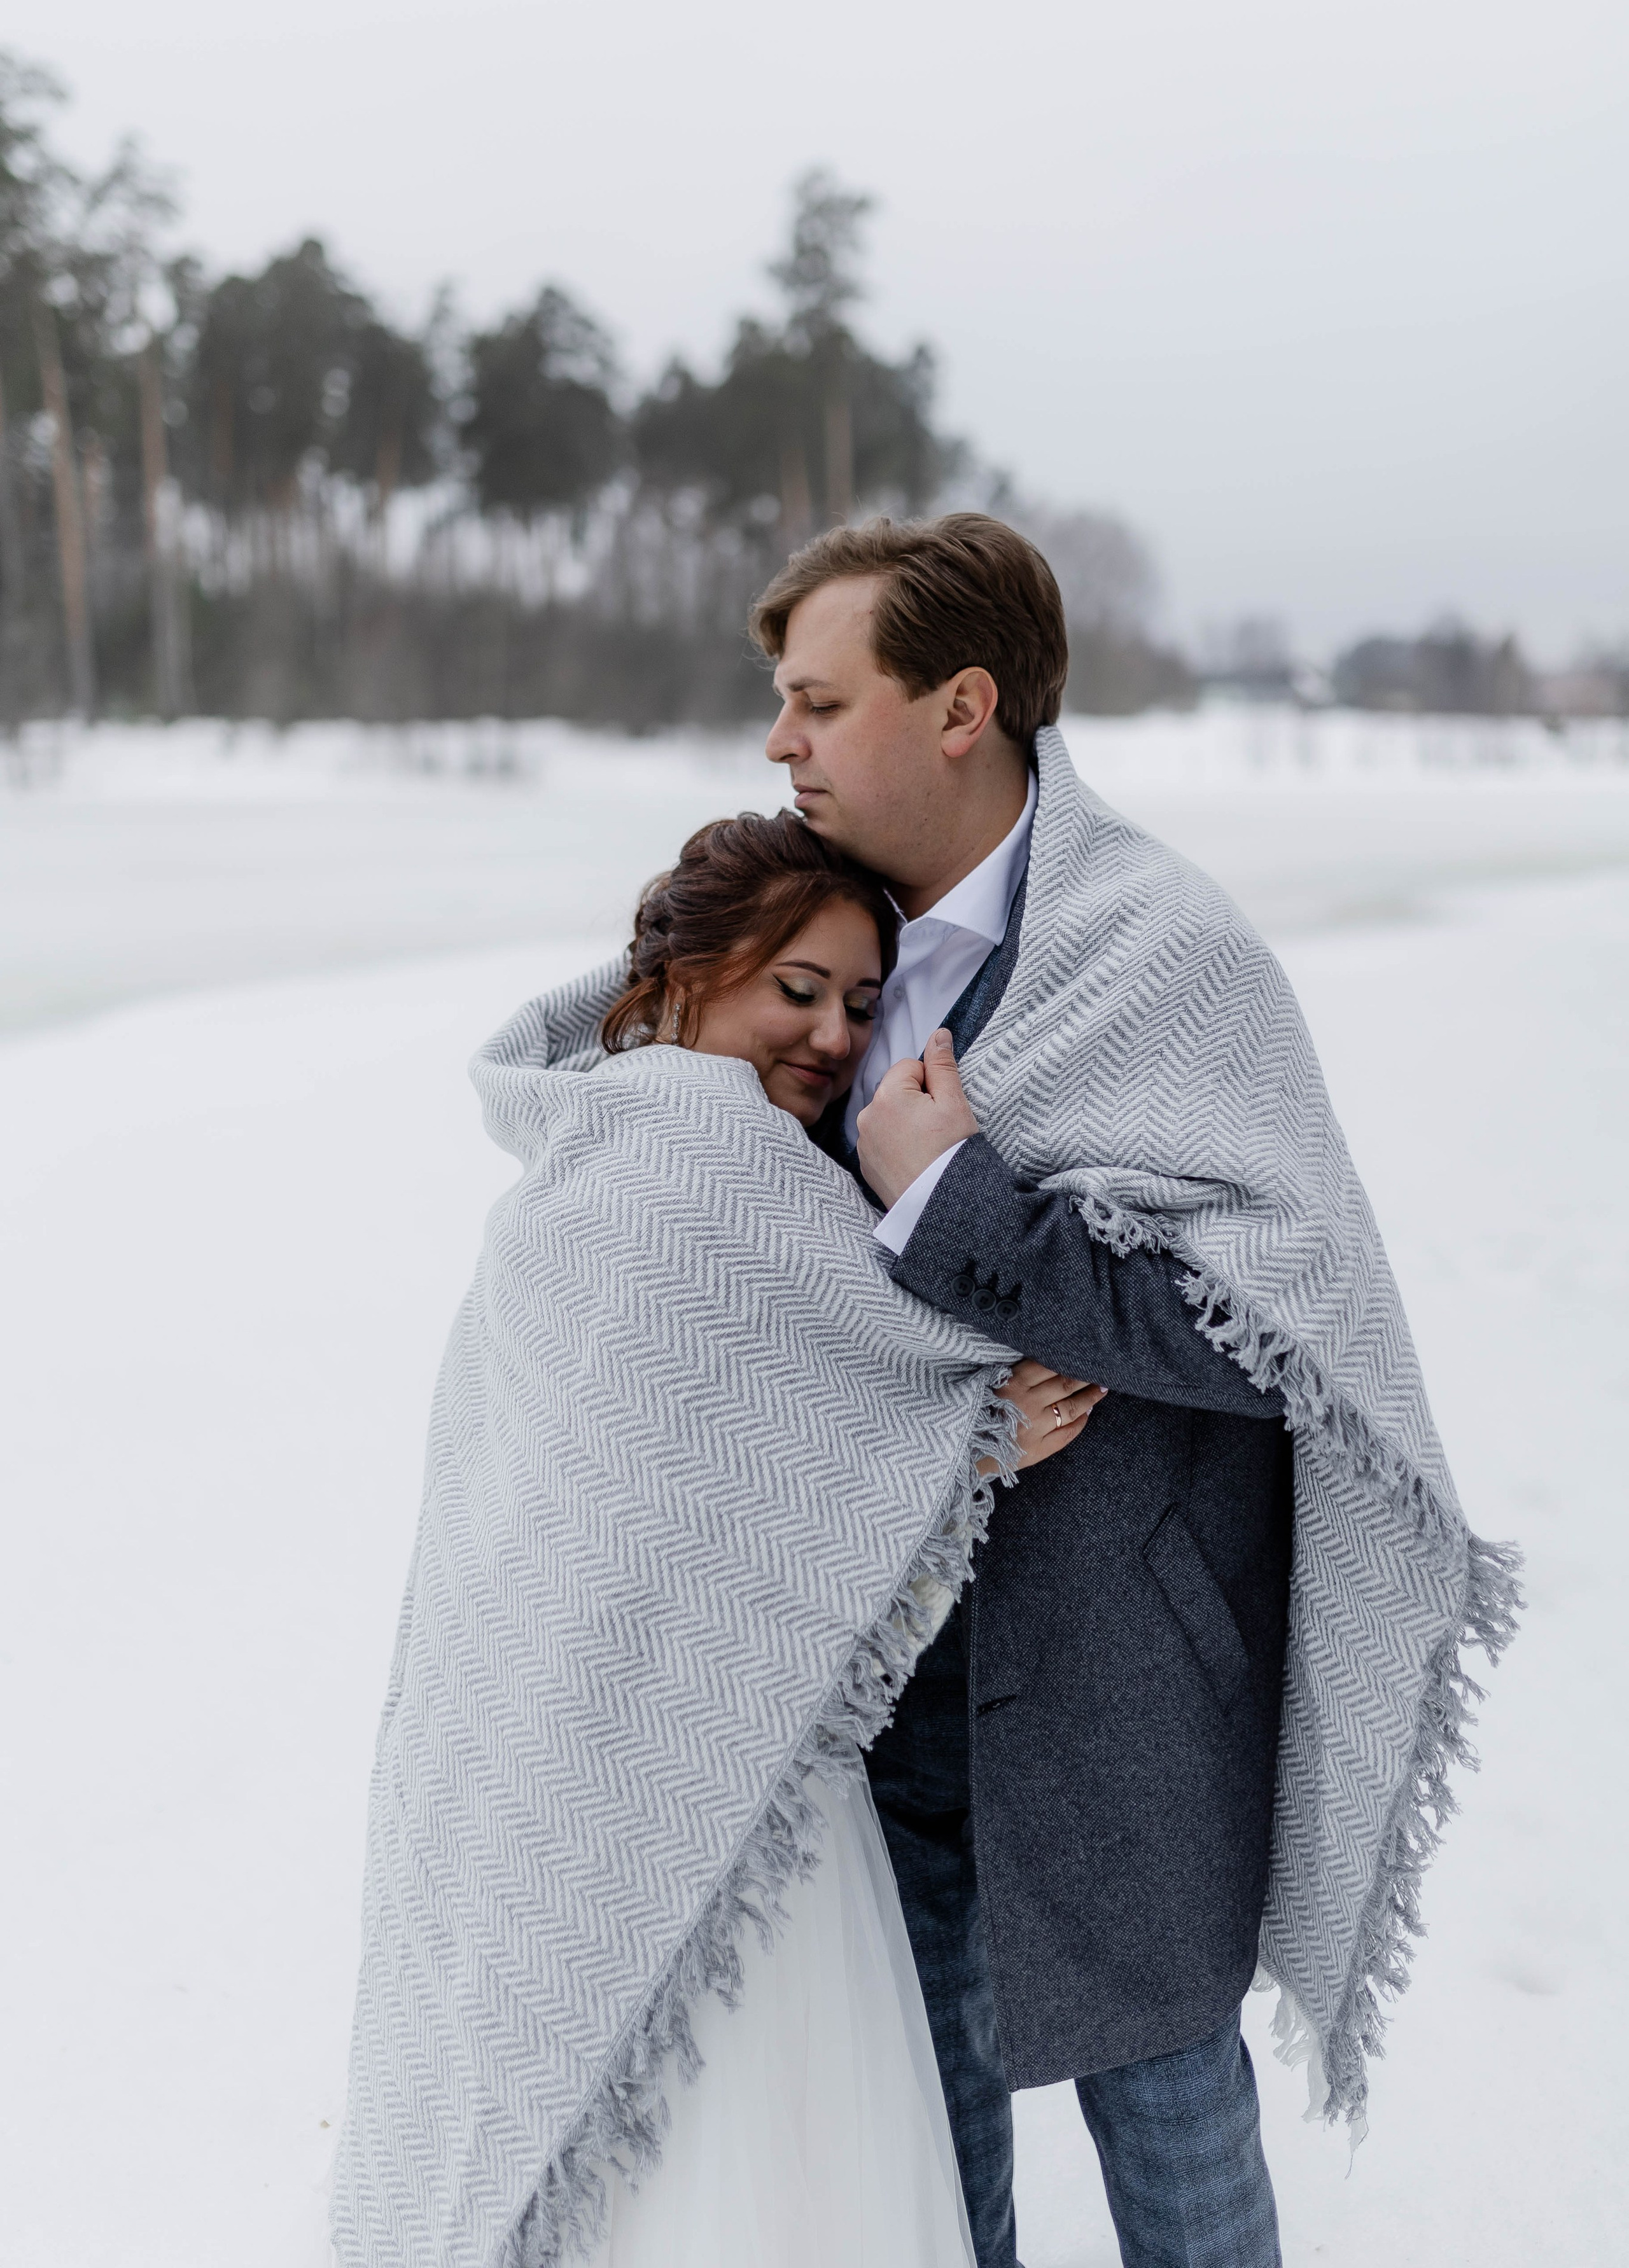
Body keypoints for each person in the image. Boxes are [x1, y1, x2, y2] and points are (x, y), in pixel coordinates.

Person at [750, 512, 1518, 2268]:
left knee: (1182, 2170)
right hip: (868, 1660)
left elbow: (1268, 1330)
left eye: (816, 700)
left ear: (962, 706)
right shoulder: (801, 937)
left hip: (1122, 1688)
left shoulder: (1166, 949)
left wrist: (960, 1204)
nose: (780, 740)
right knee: (928, 2178)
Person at [332, 807, 1105, 2268]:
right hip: (674, 1751)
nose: (827, 1037)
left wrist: (952, 1426)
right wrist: (975, 1430)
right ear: (686, 978)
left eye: (863, 1006)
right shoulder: (699, 1162)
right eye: (793, 989)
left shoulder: (590, 1145)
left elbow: (758, 1449)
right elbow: (669, 1476)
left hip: (664, 1740)